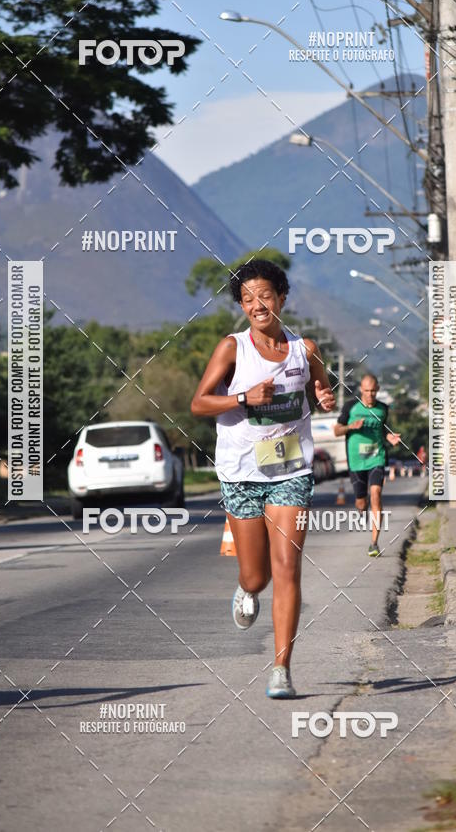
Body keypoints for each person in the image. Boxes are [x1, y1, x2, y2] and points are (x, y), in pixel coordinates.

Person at [191, 259, 336, 699]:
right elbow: (199, 403)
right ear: (241, 304)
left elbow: (323, 386)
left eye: (265, 296)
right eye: (248, 298)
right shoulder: (232, 348)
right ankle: (245, 589)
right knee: (256, 577)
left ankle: (281, 670)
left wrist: (325, 396)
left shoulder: (304, 348)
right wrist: (242, 397)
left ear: (282, 298)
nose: (257, 305)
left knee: (287, 567)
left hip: (291, 469)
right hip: (241, 472)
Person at [332, 374, 401, 557]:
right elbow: (336, 430)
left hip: (376, 458)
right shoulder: (350, 407)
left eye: (373, 391)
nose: (370, 394)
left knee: (376, 494)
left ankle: (374, 543)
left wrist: (390, 437)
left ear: (377, 389)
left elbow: (383, 430)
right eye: (366, 391)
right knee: (361, 504)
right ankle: (363, 507)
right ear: (361, 390)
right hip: (356, 461)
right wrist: (350, 427)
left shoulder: (383, 409)